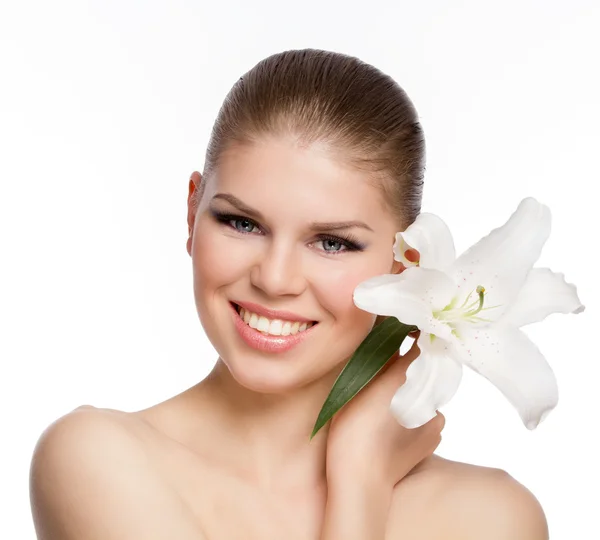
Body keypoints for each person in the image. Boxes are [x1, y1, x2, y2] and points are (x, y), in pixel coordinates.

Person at [29, 48, 549, 539]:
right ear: (192, 213)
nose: (275, 280)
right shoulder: (94, 460)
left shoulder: (490, 520)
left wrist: (360, 469)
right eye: (241, 223)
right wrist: (358, 487)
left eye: (332, 242)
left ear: (403, 262)